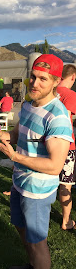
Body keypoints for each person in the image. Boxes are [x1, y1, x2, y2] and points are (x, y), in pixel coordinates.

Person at [0, 54, 73, 269]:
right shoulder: (27, 105)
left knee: (38, 242)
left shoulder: (58, 117)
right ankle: (32, 266)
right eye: (33, 77)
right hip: (19, 182)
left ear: (56, 81)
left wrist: (15, 157)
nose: (35, 83)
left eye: (43, 79)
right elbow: (16, 136)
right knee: (21, 228)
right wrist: (0, 136)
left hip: (38, 190)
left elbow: (55, 166)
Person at [57, 64, 76, 230]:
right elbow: (67, 119)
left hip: (47, 143)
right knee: (65, 184)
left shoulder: (50, 92)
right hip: (67, 146)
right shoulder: (71, 95)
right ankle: (66, 221)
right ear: (73, 77)